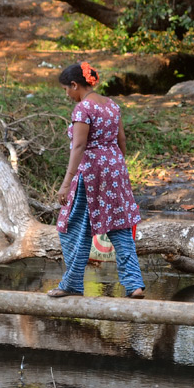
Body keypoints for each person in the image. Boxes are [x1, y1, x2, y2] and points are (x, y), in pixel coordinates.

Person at [48, 61, 145, 299]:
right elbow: (121, 141)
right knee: (120, 227)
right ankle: (134, 285)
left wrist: (66, 183)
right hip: (115, 169)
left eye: (66, 89)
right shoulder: (112, 105)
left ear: (74, 85)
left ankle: (71, 284)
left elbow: (79, 146)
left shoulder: (83, 109)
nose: (67, 94)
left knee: (72, 228)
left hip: (89, 172)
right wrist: (115, 169)